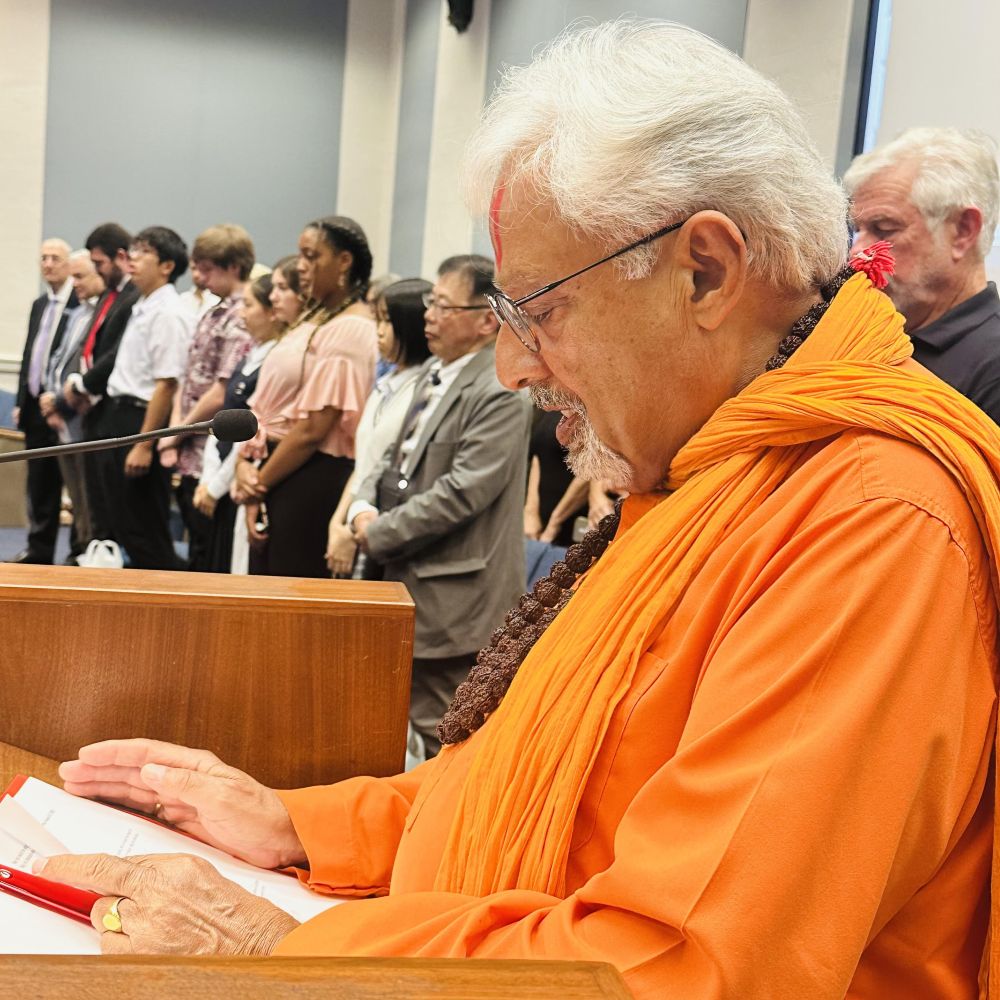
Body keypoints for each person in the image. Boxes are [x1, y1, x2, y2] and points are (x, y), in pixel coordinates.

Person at [40, 21, 1000, 999]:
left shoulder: (874, 523)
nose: (512, 366)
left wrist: (272, 953)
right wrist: (301, 826)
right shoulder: (700, 474)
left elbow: (692, 968)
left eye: (538, 311)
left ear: (704, 271)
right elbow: (531, 787)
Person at [345, 255, 531, 757]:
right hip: (408, 575)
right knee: (394, 724)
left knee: (441, 734)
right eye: (430, 302)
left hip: (455, 593)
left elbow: (464, 490)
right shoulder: (436, 373)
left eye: (443, 305)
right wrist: (362, 506)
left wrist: (378, 532)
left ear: (485, 319)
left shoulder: (498, 389)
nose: (429, 315)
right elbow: (394, 463)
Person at [234, 216, 376, 579]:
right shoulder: (322, 318)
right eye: (300, 255)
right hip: (285, 469)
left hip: (312, 477)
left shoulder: (351, 328)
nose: (301, 266)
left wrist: (259, 484)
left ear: (344, 262)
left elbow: (313, 428)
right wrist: (246, 464)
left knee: (287, 599)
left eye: (312, 256)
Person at [845, 128, 1000, 421]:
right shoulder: (871, 337)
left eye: (885, 228)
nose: (858, 252)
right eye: (857, 231)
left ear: (963, 231)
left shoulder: (992, 368)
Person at [89, 226, 192, 569]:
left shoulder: (168, 313)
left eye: (144, 252)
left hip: (141, 420)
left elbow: (166, 384)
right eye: (133, 249)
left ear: (166, 266)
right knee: (120, 521)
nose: (132, 258)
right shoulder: (142, 304)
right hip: (118, 414)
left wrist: (144, 444)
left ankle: (170, 607)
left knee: (144, 529)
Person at [325, 277, 433, 579]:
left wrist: (351, 527)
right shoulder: (386, 384)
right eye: (378, 319)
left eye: (387, 320)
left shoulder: (423, 390)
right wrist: (338, 522)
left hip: (382, 527)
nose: (379, 330)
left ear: (411, 326)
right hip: (356, 516)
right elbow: (365, 466)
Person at [162, 224, 254, 571]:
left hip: (209, 454)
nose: (199, 277)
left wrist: (175, 434)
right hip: (189, 441)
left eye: (207, 268)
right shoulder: (214, 309)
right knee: (193, 547)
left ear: (233, 266)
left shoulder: (242, 315)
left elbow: (221, 390)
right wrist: (173, 433)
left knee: (205, 554)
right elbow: (187, 379)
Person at [194, 271, 284, 574]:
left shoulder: (274, 359)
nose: (241, 314)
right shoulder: (251, 355)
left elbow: (250, 428)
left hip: (234, 480)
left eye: (248, 305)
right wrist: (207, 477)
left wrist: (216, 487)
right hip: (218, 472)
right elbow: (220, 420)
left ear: (272, 313)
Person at [64, 223, 141, 545]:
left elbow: (115, 354)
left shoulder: (134, 296)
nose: (97, 270)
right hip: (95, 411)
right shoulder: (111, 295)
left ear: (120, 256)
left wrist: (83, 386)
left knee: (116, 511)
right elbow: (92, 346)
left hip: (116, 409)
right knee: (95, 501)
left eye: (99, 264)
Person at [9, 238, 77, 564]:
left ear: (68, 264)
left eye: (55, 258)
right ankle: (39, 549)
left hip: (65, 408)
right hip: (35, 406)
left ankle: (77, 552)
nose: (48, 264)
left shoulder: (79, 303)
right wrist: (22, 399)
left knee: (72, 482)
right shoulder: (40, 304)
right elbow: (29, 355)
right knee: (39, 483)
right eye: (44, 258)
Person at [39, 250, 106, 560]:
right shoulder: (79, 312)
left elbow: (87, 367)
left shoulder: (100, 315)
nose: (74, 283)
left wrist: (60, 404)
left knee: (90, 501)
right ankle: (79, 549)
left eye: (80, 277)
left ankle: (88, 551)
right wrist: (50, 398)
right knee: (76, 497)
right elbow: (58, 360)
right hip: (63, 417)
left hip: (81, 417)